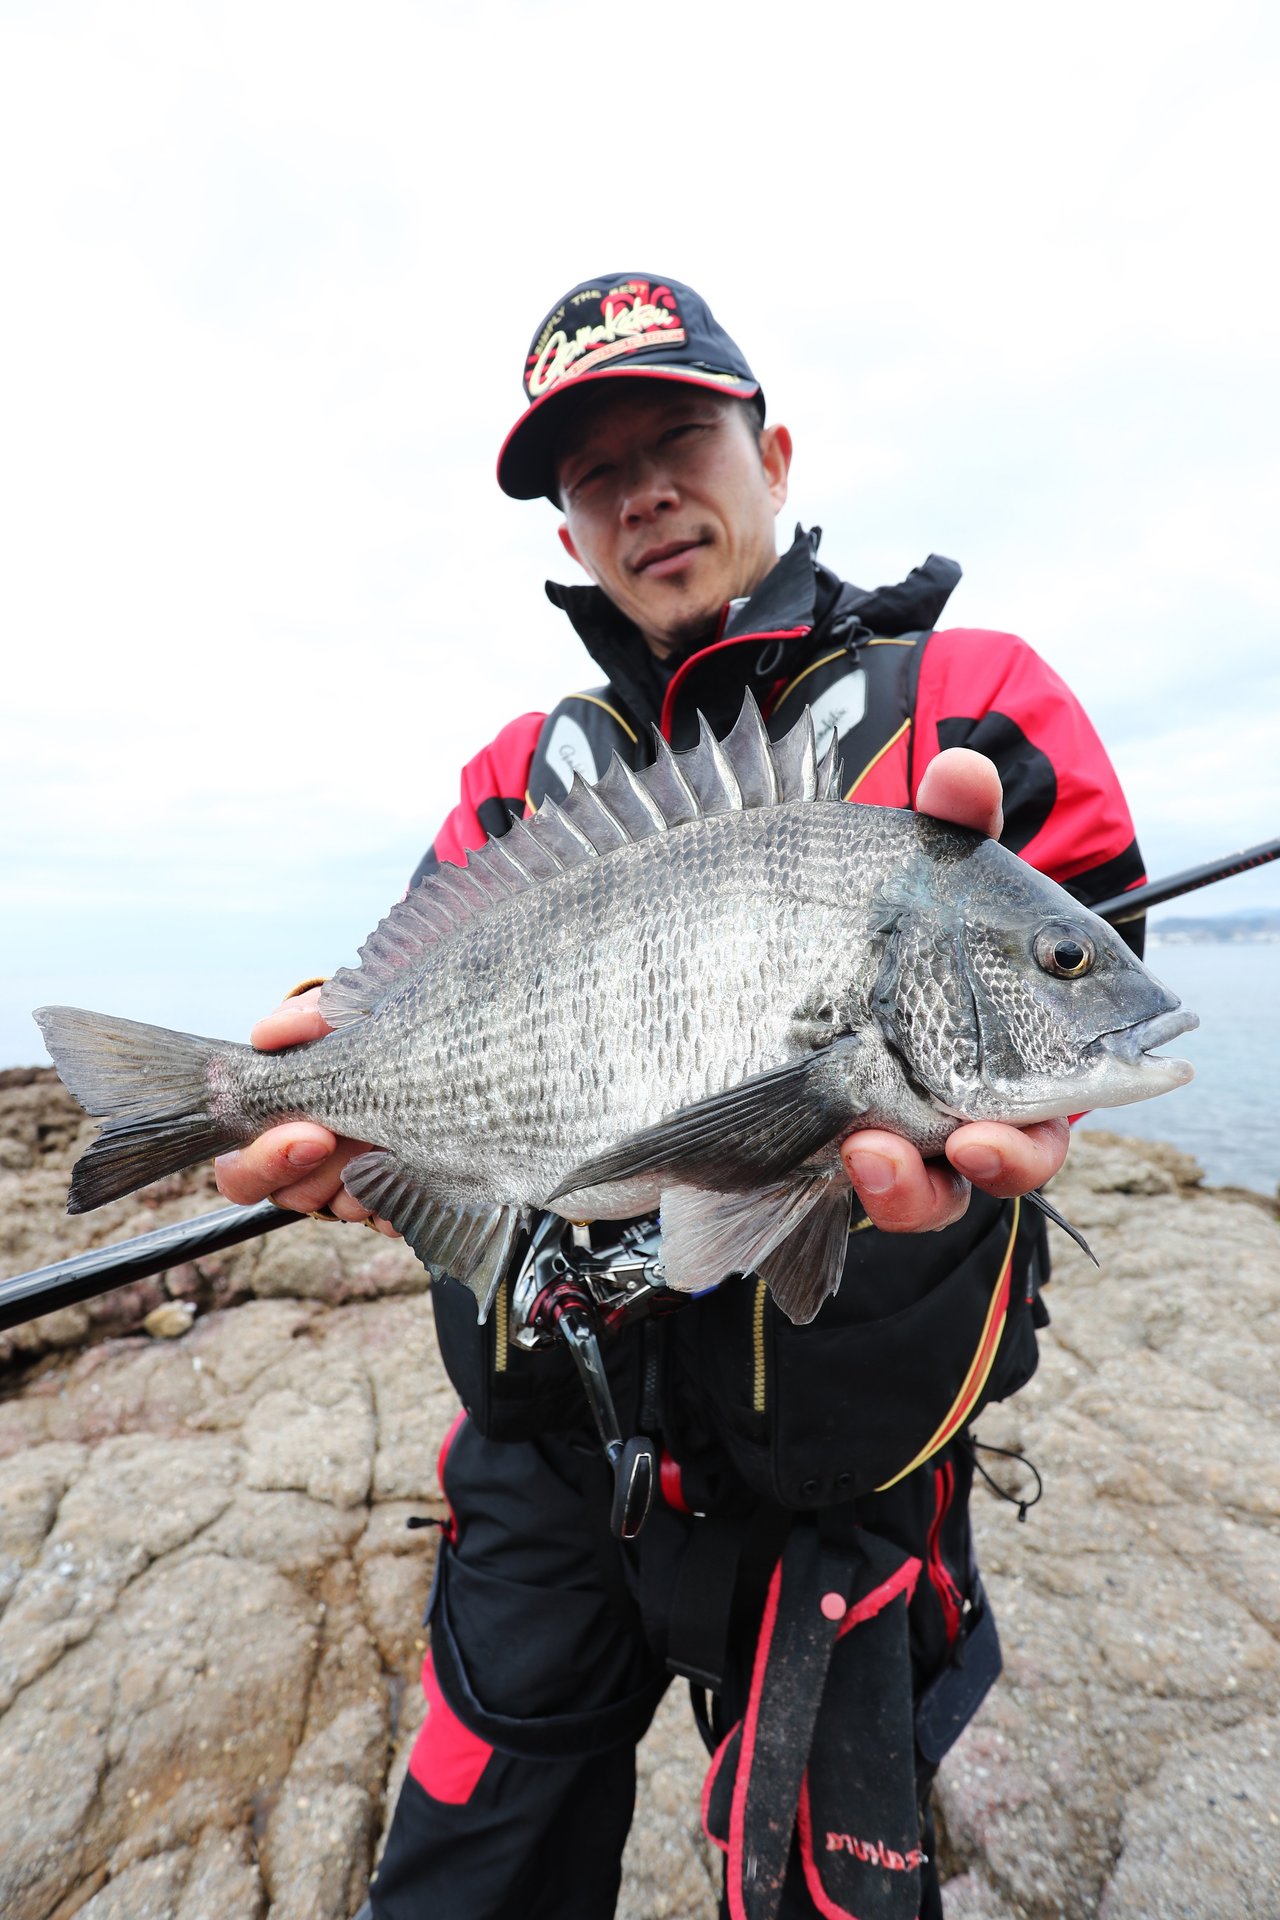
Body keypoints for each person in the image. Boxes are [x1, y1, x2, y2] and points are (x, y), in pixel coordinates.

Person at [215, 274, 1146, 1920]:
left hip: (843, 1485)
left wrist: (1047, 1033)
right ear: (570, 538)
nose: (642, 489)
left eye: (680, 437)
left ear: (773, 451)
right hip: (545, 1462)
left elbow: (1086, 942)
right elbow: (419, 1003)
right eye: (594, 474)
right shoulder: (518, 776)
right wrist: (338, 1067)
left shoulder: (967, 697)